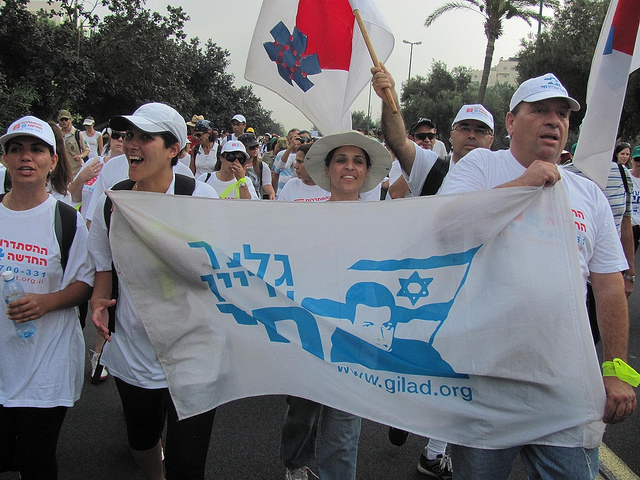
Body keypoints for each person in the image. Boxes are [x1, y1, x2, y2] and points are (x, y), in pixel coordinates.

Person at [438, 73, 636, 479]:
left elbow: (609, 286)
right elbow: (445, 230)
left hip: (564, 388)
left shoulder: (589, 194)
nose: (554, 120)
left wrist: (616, 368)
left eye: (562, 114)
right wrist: (520, 186)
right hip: (485, 385)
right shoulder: (481, 165)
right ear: (511, 122)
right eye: (540, 110)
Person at [372, 65, 495, 479]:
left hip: (475, 292)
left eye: (481, 129)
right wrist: (389, 98)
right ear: (453, 134)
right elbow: (396, 139)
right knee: (423, 361)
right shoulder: (433, 168)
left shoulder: (506, 176)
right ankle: (408, 411)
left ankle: (433, 449)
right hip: (422, 291)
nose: (473, 135)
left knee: (460, 371)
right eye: (465, 127)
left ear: (493, 138)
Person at [88, 102, 218, 480]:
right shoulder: (112, 202)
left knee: (188, 463)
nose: (131, 144)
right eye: (129, 135)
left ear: (173, 149)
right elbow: (102, 267)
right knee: (143, 441)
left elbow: (222, 274)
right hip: (134, 351)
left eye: (146, 137)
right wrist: (99, 301)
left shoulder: (202, 201)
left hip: (196, 353)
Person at [279, 131, 391, 480]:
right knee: (302, 412)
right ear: (327, 170)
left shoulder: (384, 222)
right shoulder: (303, 221)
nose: (349, 167)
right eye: (341, 159)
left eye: (358, 161)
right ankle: (296, 464)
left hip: (355, 343)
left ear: (366, 172)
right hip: (310, 336)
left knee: (343, 433)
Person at [0, 115, 93, 479]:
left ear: (52, 161)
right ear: (5, 159)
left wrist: (45, 302)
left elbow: (84, 284)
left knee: (36, 460)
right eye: (16, 149)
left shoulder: (66, 219)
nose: (26, 157)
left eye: (36, 149)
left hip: (45, 364)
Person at [238, 132, 276, 199]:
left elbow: (267, 184)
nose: (255, 149)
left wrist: (271, 193)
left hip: (256, 202)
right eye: (252, 147)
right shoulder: (236, 165)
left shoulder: (262, 166)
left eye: (257, 146)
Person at [57, 109, 90, 178]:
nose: (64, 122)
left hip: (76, 170)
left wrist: (80, 156)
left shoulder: (77, 134)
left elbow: (87, 150)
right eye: (62, 120)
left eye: (66, 119)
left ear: (70, 120)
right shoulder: (57, 134)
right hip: (62, 170)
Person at [630, 146, 640, 251]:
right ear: (632, 160)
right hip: (628, 225)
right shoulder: (626, 176)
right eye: (637, 160)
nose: (639, 163)